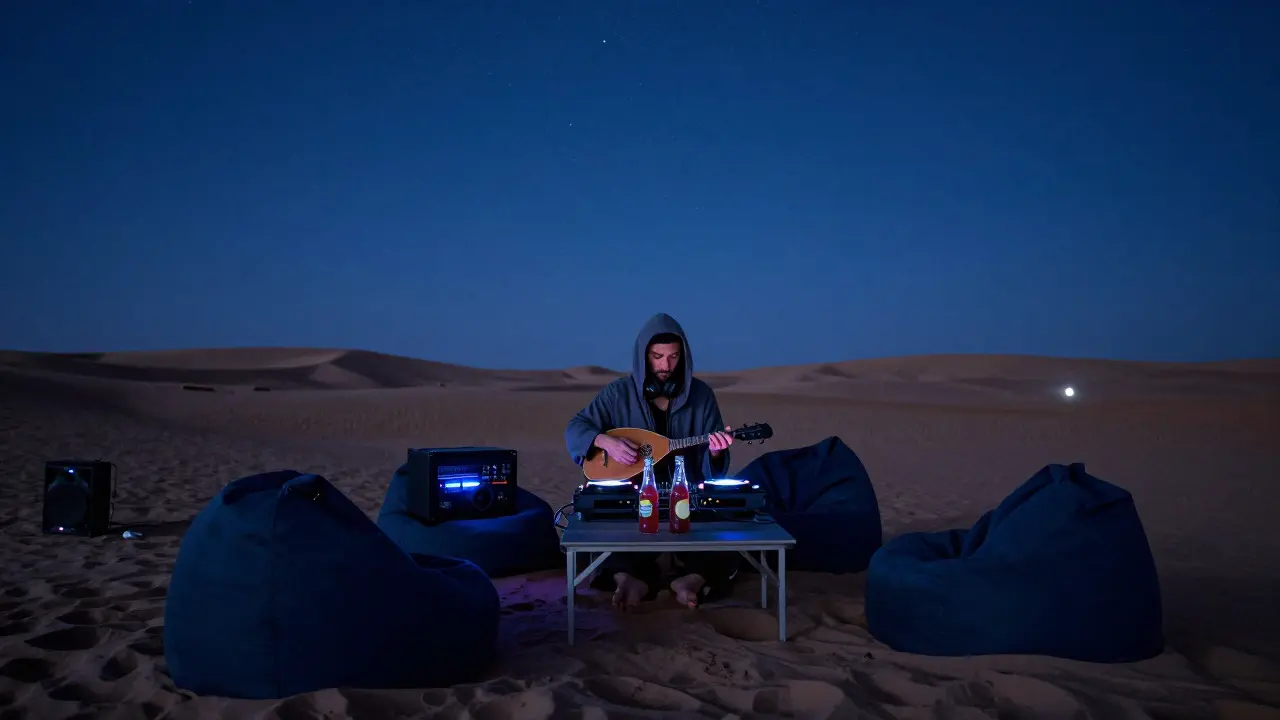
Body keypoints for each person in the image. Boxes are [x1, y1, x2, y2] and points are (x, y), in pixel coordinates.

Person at [565, 312, 742, 610]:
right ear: (643, 356)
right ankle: (629, 579)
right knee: (593, 534)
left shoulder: (702, 396)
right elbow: (576, 428)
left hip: (686, 497)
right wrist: (604, 440)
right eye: (657, 357)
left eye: (673, 357)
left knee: (731, 538)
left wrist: (715, 450)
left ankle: (690, 580)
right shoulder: (618, 393)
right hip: (633, 498)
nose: (665, 366)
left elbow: (716, 464)